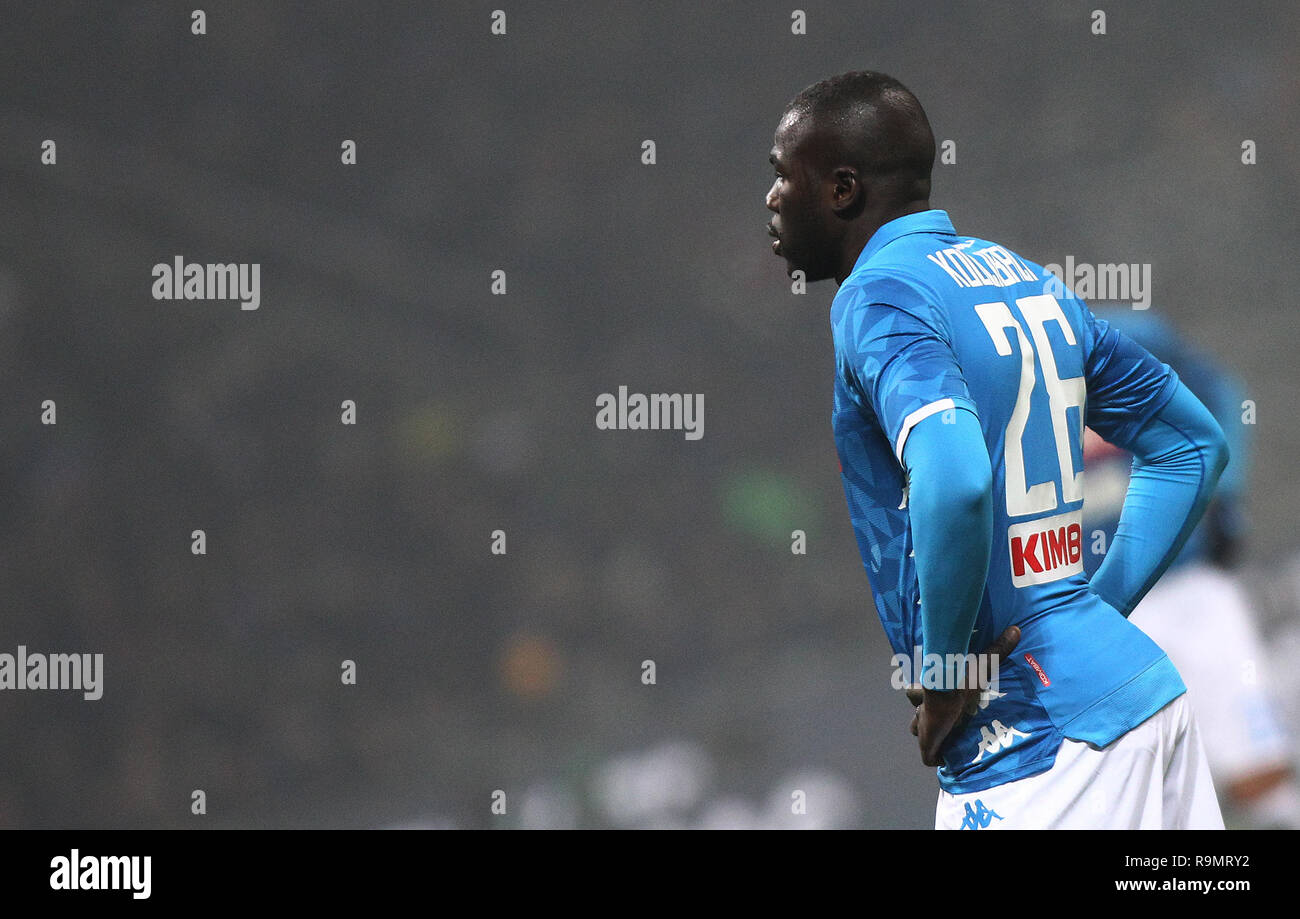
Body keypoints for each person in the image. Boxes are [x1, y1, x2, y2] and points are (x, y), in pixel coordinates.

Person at [765, 70, 1228, 828]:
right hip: (1143, 703)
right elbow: (1193, 444)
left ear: (841, 189)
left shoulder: (879, 297)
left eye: (785, 175)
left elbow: (954, 478)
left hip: (1037, 744)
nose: (773, 198)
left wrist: (945, 670)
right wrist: (1091, 613)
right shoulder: (1027, 281)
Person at [1082, 310, 1300, 828]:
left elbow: (1218, 390)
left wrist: (1224, 495)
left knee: (1258, 766)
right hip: (1101, 616)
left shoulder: (1120, 340)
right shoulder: (995, 383)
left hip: (1189, 588)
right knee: (1137, 794)